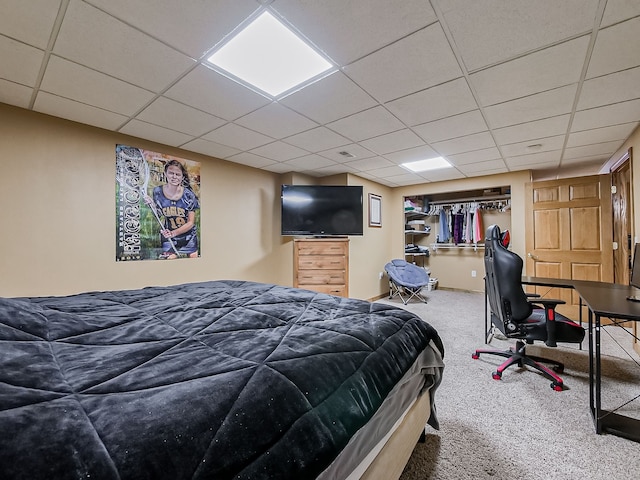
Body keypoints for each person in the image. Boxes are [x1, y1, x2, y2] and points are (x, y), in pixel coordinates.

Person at [145, 160, 200, 259]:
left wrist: (174, 233)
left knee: (193, 263)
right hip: (169, 237)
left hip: (188, 237)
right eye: (171, 173)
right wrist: (152, 205)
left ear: (182, 177)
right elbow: (159, 214)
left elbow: (190, 223)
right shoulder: (157, 191)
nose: (174, 177)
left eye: (177, 174)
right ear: (165, 174)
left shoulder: (189, 195)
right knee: (169, 262)